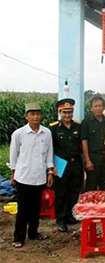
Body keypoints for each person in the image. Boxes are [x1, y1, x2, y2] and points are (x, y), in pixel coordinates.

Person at [9, 102, 55, 248]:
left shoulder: (46, 133)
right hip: (23, 176)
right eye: (32, 114)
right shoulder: (19, 134)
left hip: (39, 176)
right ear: (26, 116)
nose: (36, 117)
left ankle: (34, 233)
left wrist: (49, 172)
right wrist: (13, 175)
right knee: (23, 208)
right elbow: (13, 156)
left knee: (36, 208)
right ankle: (19, 237)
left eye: (38, 114)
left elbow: (49, 155)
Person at [50, 98, 83, 233]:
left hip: (75, 163)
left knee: (74, 191)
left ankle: (70, 216)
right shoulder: (53, 128)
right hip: (61, 164)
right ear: (60, 112)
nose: (67, 115)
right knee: (61, 193)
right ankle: (61, 220)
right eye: (64, 112)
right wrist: (51, 167)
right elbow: (50, 149)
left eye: (69, 112)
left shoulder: (78, 126)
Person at [81, 96, 105, 191]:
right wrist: (87, 160)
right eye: (96, 106)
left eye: (100, 106)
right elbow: (84, 141)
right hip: (93, 158)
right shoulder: (86, 122)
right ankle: (91, 206)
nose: (98, 108)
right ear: (91, 108)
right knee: (91, 187)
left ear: (104, 107)